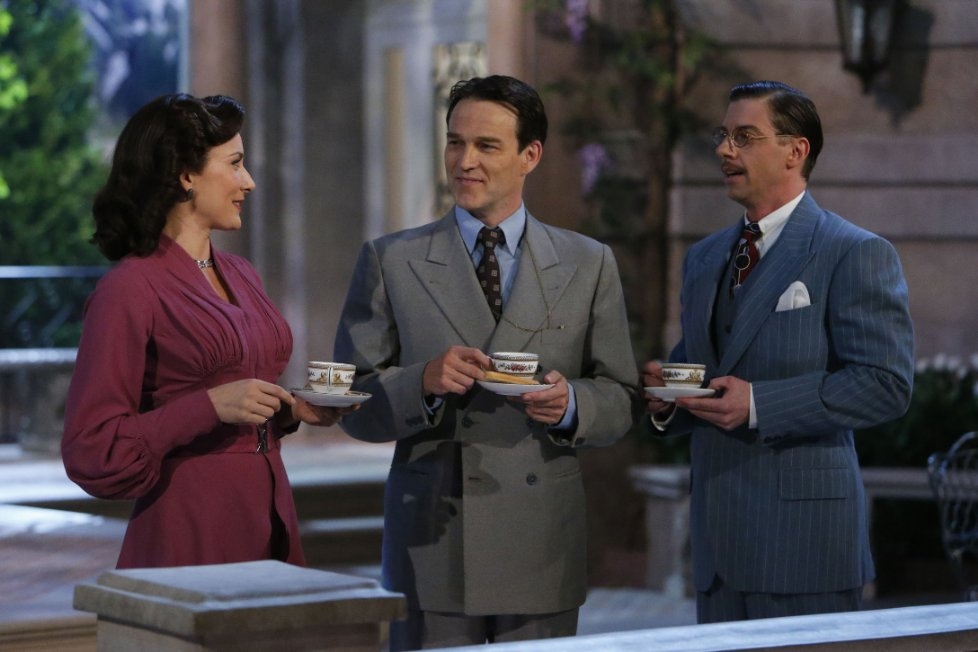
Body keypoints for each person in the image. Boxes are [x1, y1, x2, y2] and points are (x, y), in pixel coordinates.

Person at [334, 75, 637, 650]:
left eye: (486, 145)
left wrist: (571, 404)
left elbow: (621, 397)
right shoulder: (391, 259)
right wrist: (421, 383)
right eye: (455, 142)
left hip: (541, 543)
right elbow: (352, 404)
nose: (464, 161)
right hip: (433, 543)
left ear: (530, 156)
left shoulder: (588, 261)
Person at [643, 80, 914, 623]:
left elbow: (885, 384)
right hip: (717, 550)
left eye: (745, 137)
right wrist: (667, 400)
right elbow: (700, 368)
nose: (725, 150)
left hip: (803, 548)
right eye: (723, 136)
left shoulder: (853, 251)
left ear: (796, 151)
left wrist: (759, 404)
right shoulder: (704, 258)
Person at [61, 93, 353, 569]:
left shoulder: (241, 273)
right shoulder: (128, 289)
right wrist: (208, 407)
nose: (249, 181)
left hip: (269, 512)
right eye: (235, 164)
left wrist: (289, 409)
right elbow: (91, 449)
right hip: (189, 524)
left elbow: (240, 390)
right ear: (185, 175)